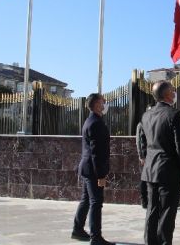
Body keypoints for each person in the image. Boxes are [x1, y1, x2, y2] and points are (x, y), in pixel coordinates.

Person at [140, 80, 180, 245]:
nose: (175, 93)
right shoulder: (175, 115)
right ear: (168, 94)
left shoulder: (146, 115)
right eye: (173, 91)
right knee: (167, 212)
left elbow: (144, 141)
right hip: (169, 171)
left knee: (152, 210)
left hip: (150, 169)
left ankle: (150, 241)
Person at [72, 93, 114, 245]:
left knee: (86, 199)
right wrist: (101, 174)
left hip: (87, 167)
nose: (105, 104)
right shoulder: (96, 123)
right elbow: (97, 152)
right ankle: (96, 237)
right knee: (96, 202)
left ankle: (77, 229)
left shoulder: (90, 120)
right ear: (97, 104)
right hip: (93, 169)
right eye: (103, 101)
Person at [136, 99, 156, 209]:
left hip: (153, 155)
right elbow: (139, 141)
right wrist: (141, 156)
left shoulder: (154, 123)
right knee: (144, 179)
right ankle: (144, 201)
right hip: (145, 155)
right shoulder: (141, 124)